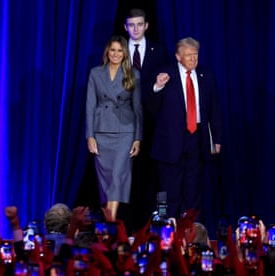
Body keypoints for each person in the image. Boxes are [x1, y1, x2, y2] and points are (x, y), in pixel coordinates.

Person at [150, 37, 223, 219]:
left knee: (193, 190)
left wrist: (217, 139)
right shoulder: (165, 75)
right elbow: (151, 107)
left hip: (196, 139)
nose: (193, 59)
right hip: (170, 142)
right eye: (189, 55)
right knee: (166, 192)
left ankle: (190, 230)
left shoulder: (206, 76)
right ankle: (165, 227)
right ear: (178, 56)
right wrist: (157, 87)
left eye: (195, 55)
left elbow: (214, 109)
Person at [85, 35, 143, 222]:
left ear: (124, 53)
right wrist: (90, 136)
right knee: (107, 182)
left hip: (125, 133)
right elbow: (90, 106)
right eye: (113, 50)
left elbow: (138, 109)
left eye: (120, 50)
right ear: (107, 52)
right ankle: (109, 224)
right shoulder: (95, 73)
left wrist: (137, 138)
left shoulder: (133, 74)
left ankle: (110, 223)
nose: (116, 54)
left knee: (118, 178)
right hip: (101, 132)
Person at [123, 8, 169, 232]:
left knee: (150, 176)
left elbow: (162, 88)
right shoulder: (118, 51)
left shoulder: (158, 51)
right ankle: (127, 227)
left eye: (139, 24)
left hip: (151, 122)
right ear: (126, 27)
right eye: (131, 25)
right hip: (123, 123)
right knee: (125, 176)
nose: (136, 29)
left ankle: (150, 226)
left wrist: (155, 87)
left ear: (146, 26)